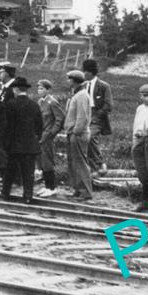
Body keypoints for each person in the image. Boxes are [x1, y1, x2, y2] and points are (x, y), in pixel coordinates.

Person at [2, 77, 43, 203]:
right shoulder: (34, 105)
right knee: (28, 173)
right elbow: (39, 126)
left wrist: (5, 143)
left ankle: (5, 194)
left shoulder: (10, 104)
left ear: (15, 89)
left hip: (13, 145)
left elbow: (6, 126)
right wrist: (35, 138)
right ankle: (28, 197)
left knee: (9, 171)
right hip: (30, 145)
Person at [64, 69, 94, 200]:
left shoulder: (82, 95)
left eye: (69, 79)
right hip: (73, 133)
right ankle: (78, 189)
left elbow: (82, 117)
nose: (67, 81)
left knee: (80, 162)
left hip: (78, 134)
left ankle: (86, 191)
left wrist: (76, 131)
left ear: (73, 81)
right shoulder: (77, 94)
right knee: (74, 162)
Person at [82, 59, 113, 173]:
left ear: (90, 72)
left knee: (90, 137)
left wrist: (96, 115)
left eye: (85, 72)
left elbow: (108, 105)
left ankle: (99, 163)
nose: (83, 74)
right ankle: (91, 167)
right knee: (81, 139)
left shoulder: (104, 86)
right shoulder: (83, 86)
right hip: (84, 116)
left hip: (97, 118)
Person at [36, 79, 65, 191]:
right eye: (38, 88)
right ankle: (47, 186)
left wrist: (53, 132)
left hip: (47, 135)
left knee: (47, 161)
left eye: (42, 88)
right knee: (41, 161)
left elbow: (60, 118)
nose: (39, 91)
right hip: (40, 135)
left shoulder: (52, 102)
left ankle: (52, 187)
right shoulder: (40, 102)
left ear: (48, 90)